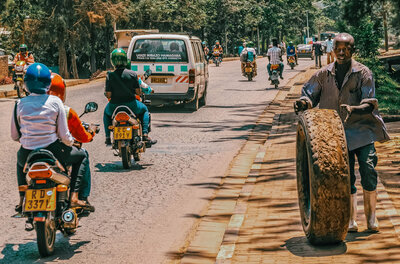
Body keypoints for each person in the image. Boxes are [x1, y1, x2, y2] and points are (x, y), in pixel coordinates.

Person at [294, 33, 390, 232]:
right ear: (332, 50)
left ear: (352, 51)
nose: (341, 52)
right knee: (343, 177)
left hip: (362, 131)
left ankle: (372, 218)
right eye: (338, 49)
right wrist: (303, 102)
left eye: (345, 49)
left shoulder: (363, 73)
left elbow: (370, 102)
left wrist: (354, 109)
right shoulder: (323, 74)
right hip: (333, 136)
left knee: (368, 170)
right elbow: (310, 94)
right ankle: (351, 220)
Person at [11, 63, 90, 216]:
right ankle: (74, 197)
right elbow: (64, 135)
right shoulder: (55, 102)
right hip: (54, 151)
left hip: (27, 153)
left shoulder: (19, 104)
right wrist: (72, 143)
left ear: (26, 83)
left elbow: (15, 136)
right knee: (82, 156)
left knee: (20, 160)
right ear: (48, 83)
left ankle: (22, 200)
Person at [47, 73, 96, 207]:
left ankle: (22, 199)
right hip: (59, 150)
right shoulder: (66, 111)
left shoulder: (28, 107)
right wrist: (91, 133)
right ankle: (81, 196)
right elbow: (80, 137)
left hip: (34, 151)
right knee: (83, 155)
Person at [103, 48, 157, 146]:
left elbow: (108, 94)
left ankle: (107, 137)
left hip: (114, 106)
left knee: (106, 113)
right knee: (144, 110)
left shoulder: (109, 75)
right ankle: (145, 134)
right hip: (132, 105)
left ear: (112, 61)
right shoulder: (132, 74)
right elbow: (138, 92)